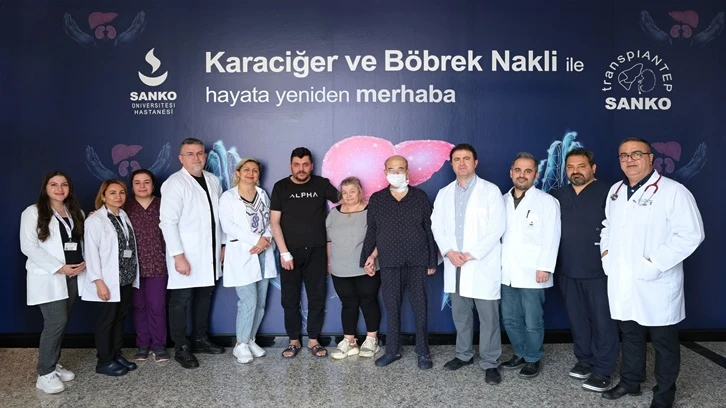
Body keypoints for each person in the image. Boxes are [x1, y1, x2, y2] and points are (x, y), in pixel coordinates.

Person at [600, 138, 705, 408]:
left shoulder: (673, 191)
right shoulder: (615, 191)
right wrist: (606, 254)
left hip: (657, 281)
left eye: (636, 154)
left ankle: (665, 392)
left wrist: (654, 264)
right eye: (624, 155)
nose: (629, 159)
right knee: (630, 334)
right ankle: (630, 381)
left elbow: (691, 235)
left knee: (663, 342)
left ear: (650, 158)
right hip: (623, 279)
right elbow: (608, 226)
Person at [431, 144, 506, 384]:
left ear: (475, 162)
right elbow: (436, 225)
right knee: (461, 315)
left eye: (466, 158)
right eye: (457, 159)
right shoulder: (444, 193)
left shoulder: (490, 191)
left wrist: (471, 254)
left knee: (488, 318)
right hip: (454, 262)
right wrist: (449, 252)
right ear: (452, 164)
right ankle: (463, 355)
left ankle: (490, 362)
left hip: (481, 263)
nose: (461, 163)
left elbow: (497, 228)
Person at [360, 155, 438, 369]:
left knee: (420, 307)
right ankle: (392, 350)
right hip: (389, 261)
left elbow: (429, 229)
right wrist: (368, 257)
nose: (396, 173)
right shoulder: (377, 199)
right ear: (385, 172)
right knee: (392, 307)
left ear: (407, 172)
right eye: (392, 169)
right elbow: (372, 231)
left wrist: (432, 260)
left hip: (417, 260)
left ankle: (423, 352)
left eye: (400, 169)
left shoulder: (420, 197)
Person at [551, 148, 618, 392]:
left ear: (593, 168)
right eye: (570, 167)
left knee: (603, 321)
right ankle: (585, 360)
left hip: (598, 270)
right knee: (577, 319)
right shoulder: (558, 195)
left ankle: (603, 369)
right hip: (567, 268)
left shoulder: (610, 193)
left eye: (581, 166)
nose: (575, 171)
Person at [159, 138, 225, 369]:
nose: (196, 158)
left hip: (209, 253)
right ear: (181, 158)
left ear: (205, 156)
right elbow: (167, 222)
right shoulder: (174, 183)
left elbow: (219, 217)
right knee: (180, 301)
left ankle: (200, 338)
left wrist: (223, 245)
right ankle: (181, 346)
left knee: (204, 297)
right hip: (186, 254)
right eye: (190, 154)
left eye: (200, 153)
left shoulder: (213, 180)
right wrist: (178, 256)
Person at [20, 171, 86, 393]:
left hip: (72, 276)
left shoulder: (76, 212)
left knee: (62, 323)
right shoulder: (33, 212)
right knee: (56, 322)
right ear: (45, 188)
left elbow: (80, 241)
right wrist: (59, 267)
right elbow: (28, 247)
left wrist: (83, 262)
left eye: (64, 184)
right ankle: (44, 374)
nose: (59, 189)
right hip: (50, 276)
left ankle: (53, 364)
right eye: (54, 184)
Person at [270, 147, 339, 358]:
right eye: (297, 165)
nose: (301, 169)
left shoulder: (321, 184)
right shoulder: (281, 187)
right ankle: (293, 341)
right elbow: (274, 222)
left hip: (317, 251)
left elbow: (345, 200)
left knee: (317, 297)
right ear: (291, 166)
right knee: (289, 299)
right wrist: (284, 253)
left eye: (305, 164)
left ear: (311, 166)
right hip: (289, 252)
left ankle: (314, 340)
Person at [500, 152, 561, 378]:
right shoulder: (501, 200)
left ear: (536, 174)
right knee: (510, 318)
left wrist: (545, 266)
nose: (522, 175)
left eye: (528, 171)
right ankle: (519, 353)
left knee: (532, 319)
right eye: (518, 170)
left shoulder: (546, 201)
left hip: (534, 271)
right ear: (511, 173)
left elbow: (552, 236)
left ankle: (533, 357)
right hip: (506, 270)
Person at [219, 158, 276, 364]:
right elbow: (228, 226)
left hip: (263, 252)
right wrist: (256, 240)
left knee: (260, 303)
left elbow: (270, 220)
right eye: (247, 170)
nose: (251, 173)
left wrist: (265, 239)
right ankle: (240, 344)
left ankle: (251, 339)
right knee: (248, 301)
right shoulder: (228, 197)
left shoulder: (262, 194)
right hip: (243, 252)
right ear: (238, 172)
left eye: (255, 170)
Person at [82, 179, 140, 376]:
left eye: (122, 192)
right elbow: (90, 253)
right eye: (113, 192)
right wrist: (99, 282)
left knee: (119, 318)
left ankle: (116, 354)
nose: (118, 196)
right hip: (107, 280)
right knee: (107, 321)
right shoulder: (95, 220)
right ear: (103, 196)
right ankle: (104, 360)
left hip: (125, 277)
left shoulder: (123, 215)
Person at [326, 177, 382, 360]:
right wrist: (329, 262)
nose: (348, 195)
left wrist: (373, 257)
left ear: (360, 192)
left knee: (368, 301)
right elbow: (328, 240)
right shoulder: (333, 213)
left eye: (352, 191)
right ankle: (349, 341)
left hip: (366, 266)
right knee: (348, 303)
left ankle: (372, 340)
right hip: (340, 268)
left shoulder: (371, 210)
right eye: (344, 192)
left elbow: (381, 236)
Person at [125, 169, 170, 363]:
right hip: (132, 266)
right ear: (132, 186)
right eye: (137, 182)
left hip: (158, 264)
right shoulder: (124, 206)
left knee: (157, 306)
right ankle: (143, 343)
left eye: (146, 182)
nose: (142, 186)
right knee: (138, 306)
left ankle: (159, 345)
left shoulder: (164, 205)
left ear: (153, 185)